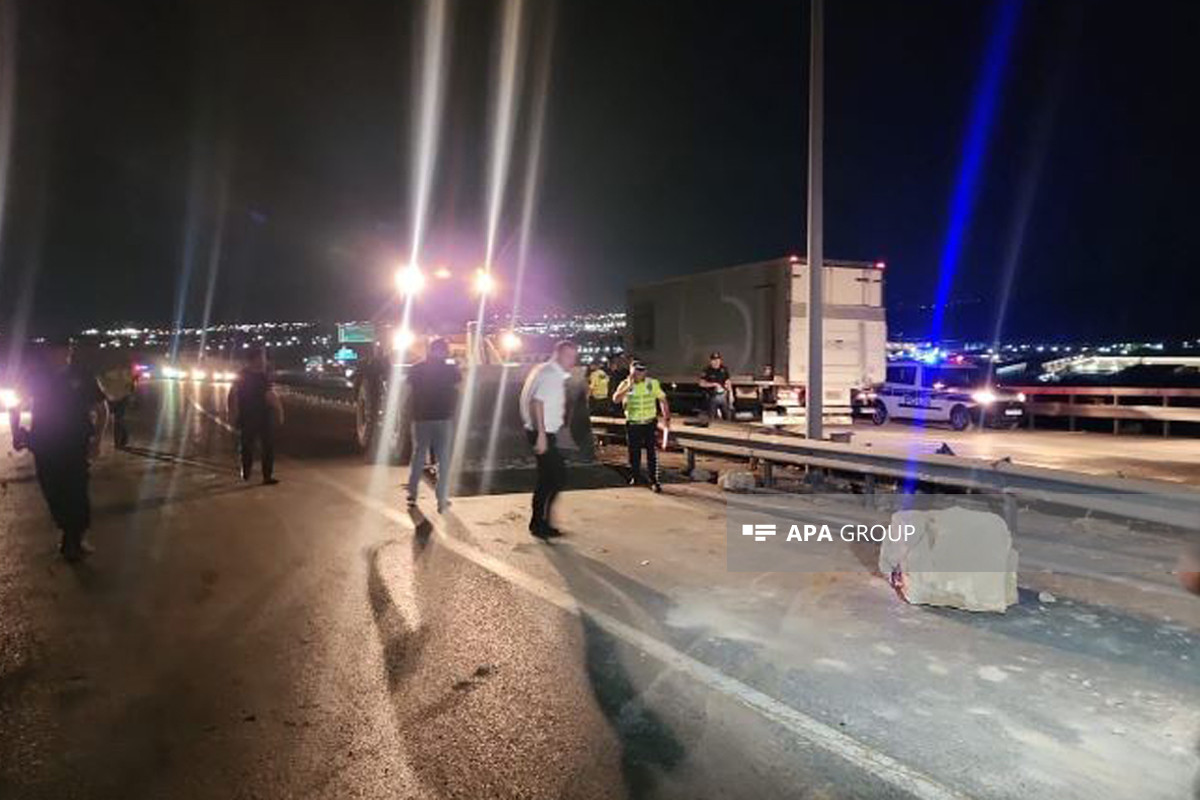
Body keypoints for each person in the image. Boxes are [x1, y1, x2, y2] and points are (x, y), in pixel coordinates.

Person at [9, 340, 108, 561]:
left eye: (64, 349)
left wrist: (97, 441)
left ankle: (74, 538)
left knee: (76, 491)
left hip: (75, 444)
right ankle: (68, 530)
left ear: (70, 351)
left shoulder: (82, 375)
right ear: (48, 353)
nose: (59, 354)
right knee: (52, 491)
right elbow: (15, 404)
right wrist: (16, 433)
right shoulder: (37, 376)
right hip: (45, 444)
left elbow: (102, 408)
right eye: (54, 350)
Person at [519, 340, 577, 539]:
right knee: (556, 478)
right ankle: (540, 522)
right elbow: (537, 402)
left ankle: (540, 522)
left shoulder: (543, 370)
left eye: (574, 357)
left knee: (548, 478)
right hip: (543, 433)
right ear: (558, 354)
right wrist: (542, 435)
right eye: (568, 356)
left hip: (539, 430)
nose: (572, 361)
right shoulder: (551, 375)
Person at [406, 337, 460, 513]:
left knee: (418, 455)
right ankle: (441, 499)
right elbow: (459, 383)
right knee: (443, 458)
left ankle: (412, 494)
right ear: (444, 351)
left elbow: (409, 389)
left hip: (421, 418)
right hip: (443, 418)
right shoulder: (450, 369)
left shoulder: (416, 368)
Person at [613, 359, 671, 492]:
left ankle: (654, 480)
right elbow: (615, 399)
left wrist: (666, 417)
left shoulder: (652, 383)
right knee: (634, 453)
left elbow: (662, 400)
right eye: (636, 371)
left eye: (641, 371)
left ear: (645, 372)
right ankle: (635, 477)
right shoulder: (625, 384)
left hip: (649, 423)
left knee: (652, 453)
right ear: (631, 371)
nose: (639, 374)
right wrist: (628, 387)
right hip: (633, 424)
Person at [228, 347, 283, 485]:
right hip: (250, 416)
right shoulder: (255, 376)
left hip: (261, 416)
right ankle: (251, 472)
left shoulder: (256, 375)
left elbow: (232, 394)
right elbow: (270, 396)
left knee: (264, 446)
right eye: (262, 357)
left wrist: (232, 413)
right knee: (251, 446)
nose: (264, 360)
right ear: (255, 359)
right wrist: (280, 411)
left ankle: (261, 474)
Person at [100, 354, 137, 449]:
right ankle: (120, 440)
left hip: (119, 398)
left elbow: (131, 385)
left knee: (118, 420)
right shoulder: (110, 373)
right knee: (117, 420)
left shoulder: (123, 373)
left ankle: (119, 442)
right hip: (114, 397)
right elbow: (131, 385)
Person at [699, 351, 732, 421]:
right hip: (712, 396)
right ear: (711, 361)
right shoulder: (707, 370)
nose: (716, 362)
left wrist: (731, 394)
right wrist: (713, 384)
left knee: (727, 416)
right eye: (714, 360)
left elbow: (728, 382)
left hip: (723, 396)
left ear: (720, 361)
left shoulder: (724, 369)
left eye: (717, 360)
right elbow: (701, 383)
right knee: (712, 417)